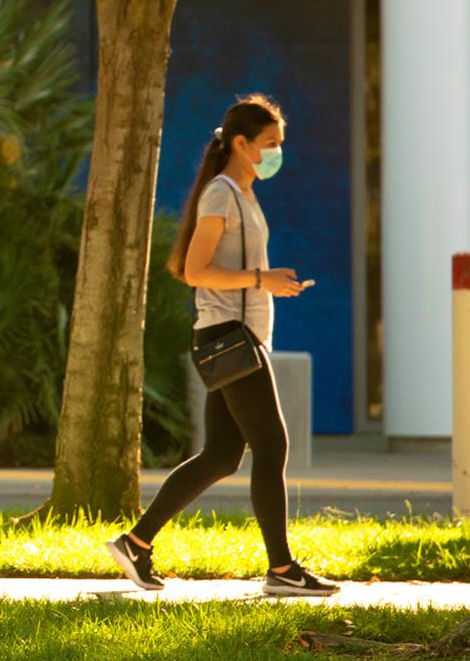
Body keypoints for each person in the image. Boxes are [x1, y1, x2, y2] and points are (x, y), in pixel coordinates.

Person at [103, 95, 339, 597]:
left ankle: (136, 544)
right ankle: (281, 569)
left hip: (237, 335)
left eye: (279, 144)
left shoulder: (243, 194)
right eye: (269, 144)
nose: (277, 153)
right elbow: (195, 270)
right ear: (240, 143)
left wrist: (271, 284)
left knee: (221, 455)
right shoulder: (221, 194)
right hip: (227, 337)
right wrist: (261, 278)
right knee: (272, 444)